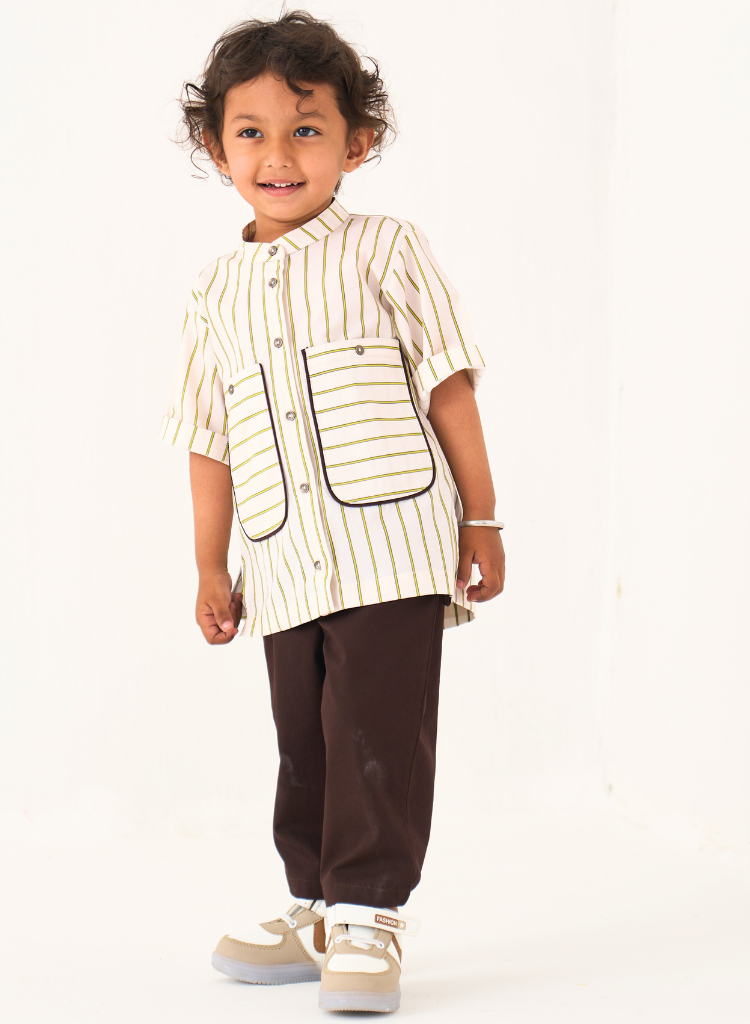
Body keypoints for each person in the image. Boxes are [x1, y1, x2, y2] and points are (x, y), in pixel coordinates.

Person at [159, 8, 505, 1014]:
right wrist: (211, 564)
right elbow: (209, 436)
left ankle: (368, 913)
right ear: (216, 147)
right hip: (281, 561)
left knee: (376, 730)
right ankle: (315, 904)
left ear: (358, 142)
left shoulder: (386, 249)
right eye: (252, 132)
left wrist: (483, 519)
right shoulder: (214, 292)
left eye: (307, 129)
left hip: (390, 546)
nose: (279, 155)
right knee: (304, 738)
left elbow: (449, 385)